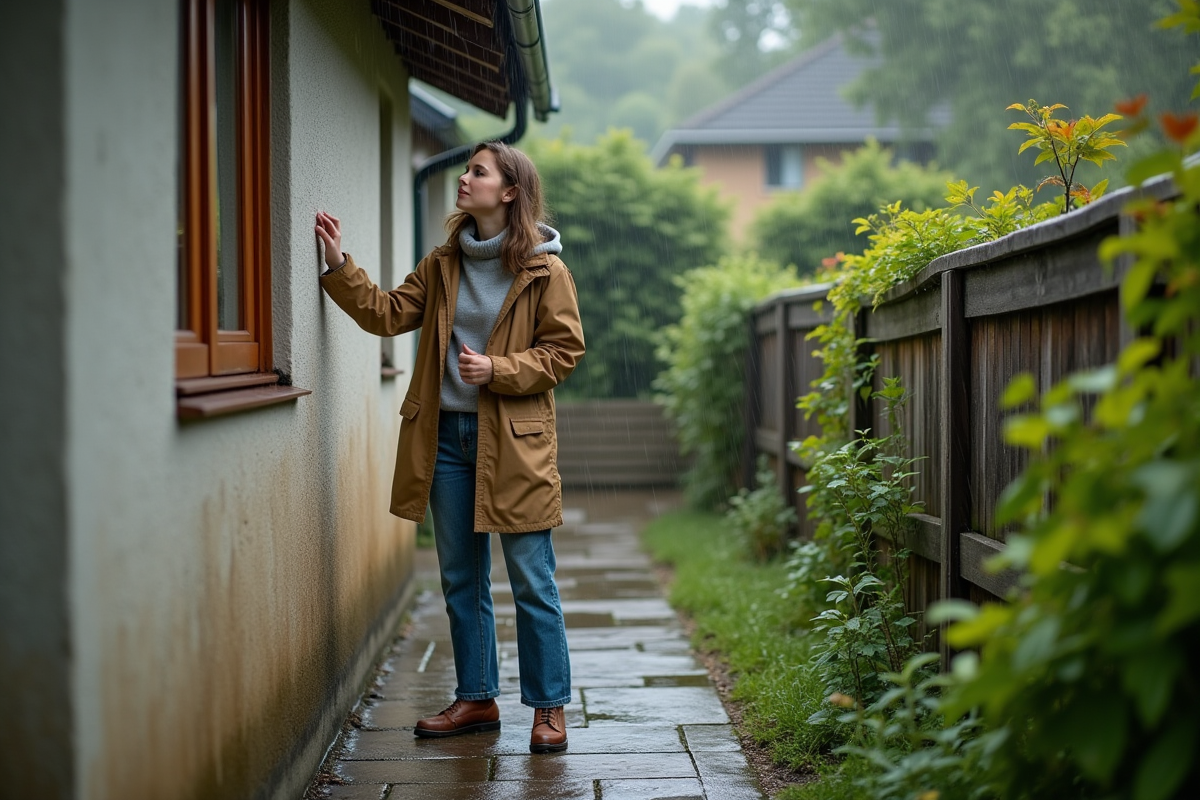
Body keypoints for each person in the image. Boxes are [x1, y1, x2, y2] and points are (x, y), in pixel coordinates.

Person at [314, 141, 584, 754]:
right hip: (446, 441)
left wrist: (500, 368)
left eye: (478, 172)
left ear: (509, 191)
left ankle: (549, 708)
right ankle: (476, 698)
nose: (465, 178)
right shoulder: (442, 264)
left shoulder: (546, 271)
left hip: (515, 443)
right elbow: (386, 314)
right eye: (467, 170)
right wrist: (338, 265)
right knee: (461, 579)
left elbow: (563, 352)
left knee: (531, 580)